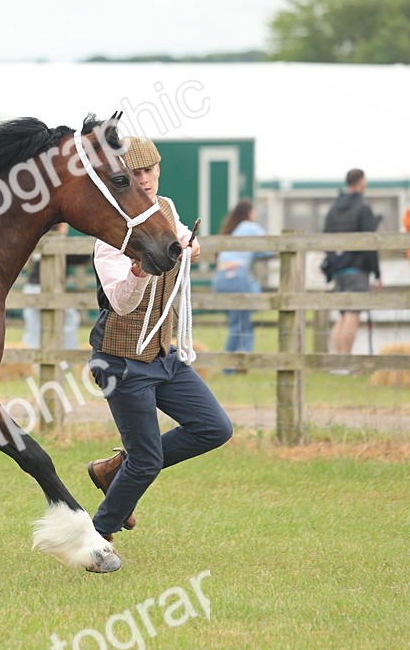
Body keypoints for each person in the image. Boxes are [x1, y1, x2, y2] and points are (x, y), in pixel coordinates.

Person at [85, 136, 233, 553]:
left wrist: (191, 246)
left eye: (149, 170)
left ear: (158, 170)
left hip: (163, 355)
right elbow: (120, 300)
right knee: (146, 460)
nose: (145, 180)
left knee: (214, 428)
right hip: (122, 361)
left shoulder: (165, 209)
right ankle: (97, 536)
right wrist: (139, 272)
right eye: (134, 174)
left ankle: (116, 470)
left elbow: (182, 236)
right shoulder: (110, 231)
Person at [323, 169, 381, 367]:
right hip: (357, 269)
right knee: (352, 314)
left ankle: (336, 362)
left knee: (341, 315)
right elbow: (369, 243)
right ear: (360, 182)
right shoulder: (363, 208)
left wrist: (333, 265)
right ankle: (345, 363)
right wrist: (377, 273)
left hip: (338, 270)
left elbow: (326, 239)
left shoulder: (333, 209)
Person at [213, 199, 270, 362]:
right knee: (242, 325)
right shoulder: (249, 227)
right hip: (237, 276)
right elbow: (270, 245)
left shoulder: (230, 231)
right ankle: (239, 363)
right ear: (249, 212)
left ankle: (231, 363)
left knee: (235, 324)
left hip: (221, 279)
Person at [22, 223, 83, 350]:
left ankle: (33, 363)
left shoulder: (41, 240)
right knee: (70, 319)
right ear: (60, 227)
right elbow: (79, 256)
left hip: (31, 288)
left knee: (34, 328)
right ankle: (69, 356)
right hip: (43, 289)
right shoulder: (58, 243)